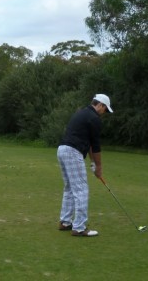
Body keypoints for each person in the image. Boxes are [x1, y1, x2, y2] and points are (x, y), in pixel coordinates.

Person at [57, 94, 113, 237]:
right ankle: (79, 227)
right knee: (81, 189)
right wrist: (99, 168)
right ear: (100, 105)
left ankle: (65, 222)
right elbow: (95, 146)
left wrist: (92, 162)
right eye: (105, 110)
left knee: (69, 188)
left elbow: (87, 143)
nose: (104, 113)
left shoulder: (82, 113)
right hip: (72, 152)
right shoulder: (94, 119)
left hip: (62, 150)